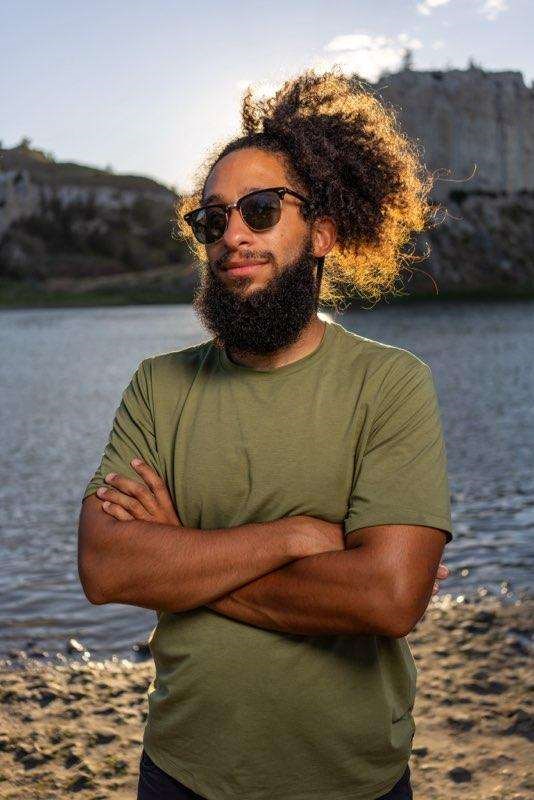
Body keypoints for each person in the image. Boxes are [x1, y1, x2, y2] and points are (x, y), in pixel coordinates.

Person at [78, 68, 453, 800]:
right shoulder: (159, 386)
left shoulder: (391, 384)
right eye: (213, 220)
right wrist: (289, 538)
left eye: (258, 210)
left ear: (320, 233)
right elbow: (106, 568)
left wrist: (185, 559)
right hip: (183, 773)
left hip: (354, 782)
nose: (233, 237)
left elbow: (387, 597)